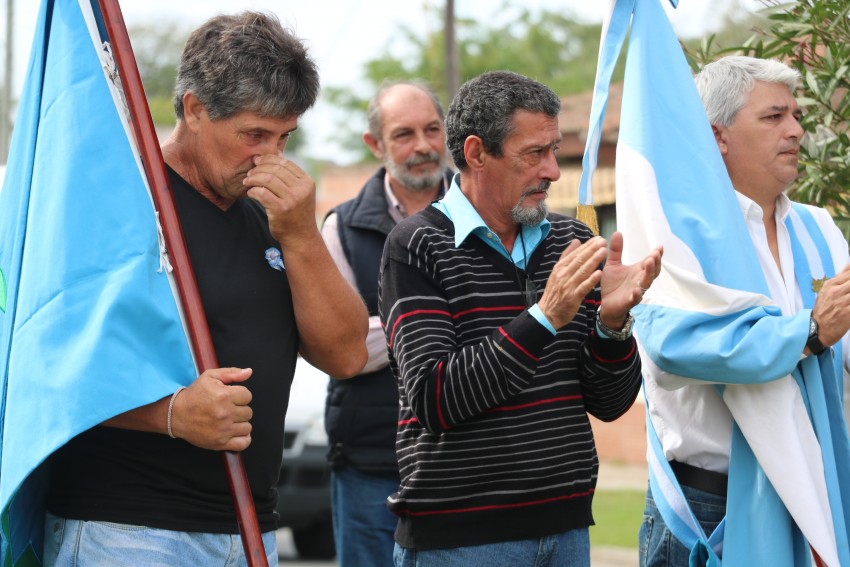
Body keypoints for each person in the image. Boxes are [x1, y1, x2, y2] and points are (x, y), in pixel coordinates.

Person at [42, 11, 368, 566]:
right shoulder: (124, 203)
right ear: (193, 109)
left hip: (249, 527)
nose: (270, 156)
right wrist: (171, 413)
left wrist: (300, 235)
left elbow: (346, 353)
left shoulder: (275, 213)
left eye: (284, 136)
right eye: (253, 135)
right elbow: (46, 361)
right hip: (126, 526)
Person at [379, 70, 663, 567]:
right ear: (475, 154)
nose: (553, 170)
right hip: (458, 541)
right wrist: (544, 316)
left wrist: (612, 327)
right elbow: (434, 398)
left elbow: (611, 403)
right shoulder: (417, 245)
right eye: (535, 153)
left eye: (554, 150)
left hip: (566, 530)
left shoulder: (568, 241)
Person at [638, 56, 850, 566]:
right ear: (717, 136)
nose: (797, 131)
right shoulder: (676, 236)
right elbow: (675, 348)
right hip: (711, 505)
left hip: (817, 488)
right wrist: (811, 330)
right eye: (774, 117)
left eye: (797, 116)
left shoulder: (819, 227)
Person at [321, 80, 453, 567]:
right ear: (375, 145)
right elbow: (342, 350)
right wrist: (444, 319)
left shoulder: (485, 215)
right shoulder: (342, 227)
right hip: (370, 462)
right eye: (403, 134)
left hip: (464, 459)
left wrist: (384, 328)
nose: (422, 146)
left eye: (432, 129)